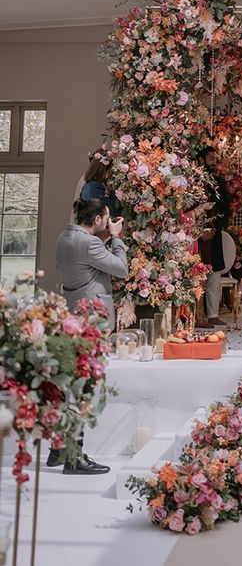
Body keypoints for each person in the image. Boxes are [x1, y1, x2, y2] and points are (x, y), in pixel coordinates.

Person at [52, 197, 128, 475]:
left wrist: (105, 236)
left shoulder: (65, 237)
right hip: (92, 316)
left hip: (72, 312)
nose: (108, 223)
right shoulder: (90, 243)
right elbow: (120, 269)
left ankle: (58, 448)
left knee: (71, 382)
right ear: (97, 219)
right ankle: (74, 457)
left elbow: (85, 265)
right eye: (106, 219)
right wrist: (116, 239)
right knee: (84, 386)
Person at [197, 145, 232, 328]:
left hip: (215, 234)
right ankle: (197, 315)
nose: (214, 162)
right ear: (201, 159)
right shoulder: (192, 181)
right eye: (211, 158)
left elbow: (225, 209)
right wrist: (200, 229)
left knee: (214, 275)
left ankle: (213, 314)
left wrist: (214, 228)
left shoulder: (219, 182)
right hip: (196, 235)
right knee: (197, 275)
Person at [79, 150, 120, 218]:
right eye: (110, 172)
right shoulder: (94, 189)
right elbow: (113, 212)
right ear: (104, 171)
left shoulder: (89, 185)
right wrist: (114, 190)